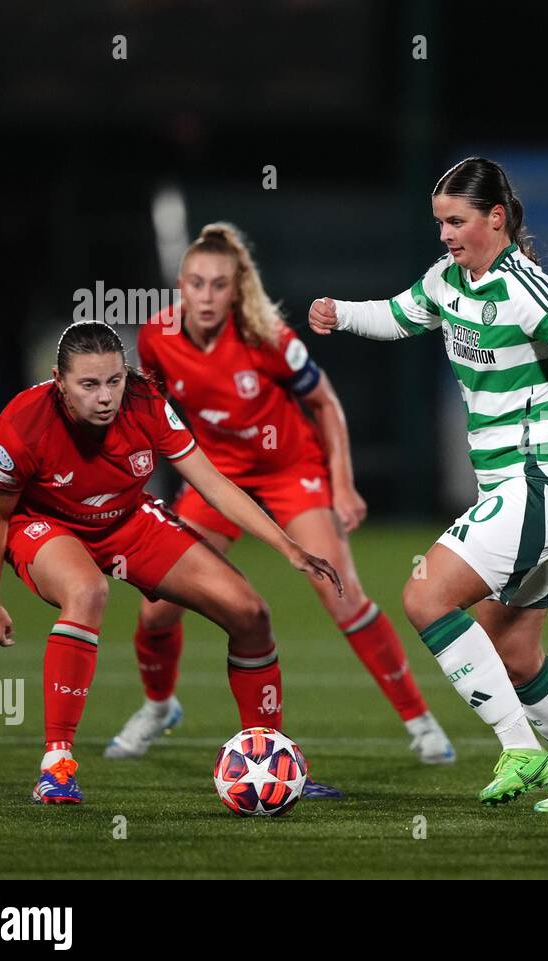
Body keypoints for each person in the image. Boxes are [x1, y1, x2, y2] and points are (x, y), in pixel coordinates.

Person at [308, 157, 548, 811]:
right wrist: (341, 313)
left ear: (496, 218)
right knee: (514, 651)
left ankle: (521, 749)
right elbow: (399, 316)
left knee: (424, 597)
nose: (445, 235)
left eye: (456, 221)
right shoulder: (447, 282)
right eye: (438, 223)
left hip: (544, 482)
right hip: (514, 492)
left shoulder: (528, 290)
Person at [108, 223, 453, 776]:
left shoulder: (269, 338)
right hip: (217, 478)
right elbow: (154, 415)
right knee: (156, 610)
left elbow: (326, 404)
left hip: (291, 470)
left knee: (340, 593)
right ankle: (158, 706)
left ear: (237, 286)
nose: (205, 295)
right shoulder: (156, 338)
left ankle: (420, 720)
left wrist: (341, 482)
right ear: (180, 284)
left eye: (218, 284)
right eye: (196, 283)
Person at [0, 320, 341, 804]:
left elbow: (211, 482)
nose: (105, 396)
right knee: (88, 592)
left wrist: (287, 546)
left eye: (114, 380)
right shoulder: (22, 424)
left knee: (250, 613)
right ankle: (57, 766)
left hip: (127, 519)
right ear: (58, 381)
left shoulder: (144, 403)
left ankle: (269, 759)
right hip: (46, 526)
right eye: (88, 384)